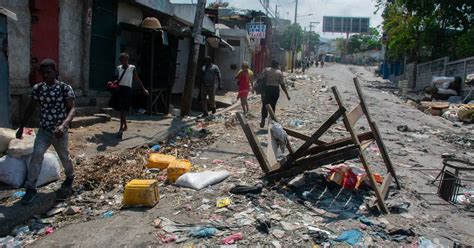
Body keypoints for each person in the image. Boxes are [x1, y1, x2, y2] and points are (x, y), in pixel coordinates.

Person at [16, 59, 76, 204]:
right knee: (36, 155)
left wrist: (63, 125)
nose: (45, 76)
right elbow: (30, 108)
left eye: (48, 73)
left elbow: (72, 109)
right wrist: (22, 127)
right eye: (43, 73)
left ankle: (70, 176)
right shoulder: (38, 88)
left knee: (64, 157)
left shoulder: (64, 88)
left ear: (55, 72)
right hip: (43, 131)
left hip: (59, 132)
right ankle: (30, 189)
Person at [110, 53, 149, 137]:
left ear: (127, 59)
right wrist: (114, 82)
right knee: (121, 110)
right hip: (120, 89)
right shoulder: (119, 68)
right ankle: (125, 126)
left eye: (124, 59)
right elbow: (117, 78)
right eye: (121, 60)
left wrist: (143, 89)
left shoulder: (132, 68)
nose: (123, 61)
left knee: (123, 110)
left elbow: (137, 79)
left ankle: (121, 128)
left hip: (127, 90)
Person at [260, 60, 290, 128]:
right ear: (277, 65)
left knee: (265, 104)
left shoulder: (266, 70)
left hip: (267, 89)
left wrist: (262, 91)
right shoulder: (279, 72)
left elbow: (261, 79)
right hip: (275, 90)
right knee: (273, 106)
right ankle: (271, 122)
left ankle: (263, 118)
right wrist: (287, 95)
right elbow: (282, 84)